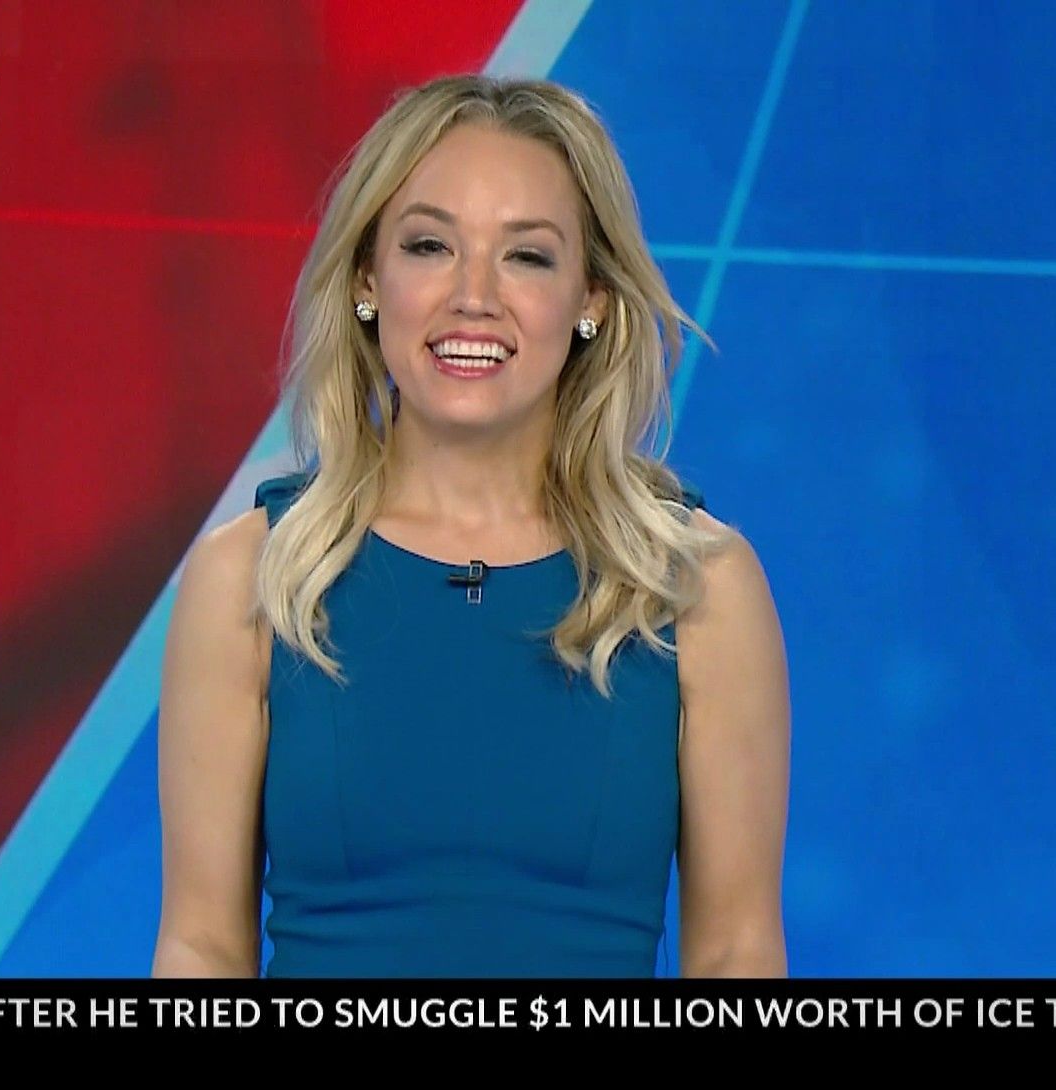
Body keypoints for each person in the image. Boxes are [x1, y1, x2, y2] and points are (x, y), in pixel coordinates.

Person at [152, 74, 789, 978]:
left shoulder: (697, 587)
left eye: (526, 256)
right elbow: (201, 948)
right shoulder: (253, 577)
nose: (473, 296)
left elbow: (736, 955)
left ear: (591, 299)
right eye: (429, 246)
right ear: (369, 281)